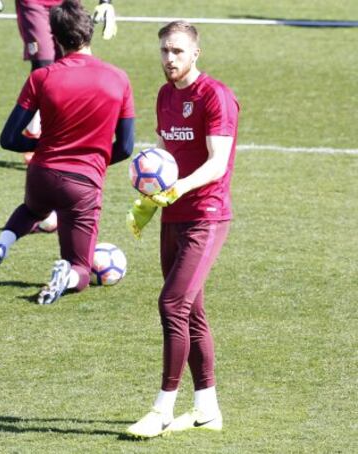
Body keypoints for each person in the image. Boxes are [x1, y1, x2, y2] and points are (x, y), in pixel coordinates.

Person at [126, 20, 239, 438]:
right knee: (190, 311)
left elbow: (217, 162)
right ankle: (207, 409)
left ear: (195, 54)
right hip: (173, 216)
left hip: (206, 216)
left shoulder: (215, 96)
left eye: (177, 51)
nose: (169, 59)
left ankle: (161, 409)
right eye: (164, 51)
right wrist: (146, 203)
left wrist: (178, 188)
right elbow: (165, 156)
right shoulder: (164, 96)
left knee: (171, 305)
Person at [0, 0, 134, 305]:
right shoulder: (119, 78)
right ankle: (66, 277)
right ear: (90, 32)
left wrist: (43, 145)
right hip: (83, 184)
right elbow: (125, 146)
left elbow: (8, 139)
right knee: (82, 269)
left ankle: (1, 244)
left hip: (41, 175)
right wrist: (95, 158)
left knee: (32, 211)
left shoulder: (41, 78)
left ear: (55, 38)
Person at [15, 0, 117, 162]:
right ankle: (34, 131)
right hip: (33, 3)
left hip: (67, 3)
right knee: (44, 64)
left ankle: (66, 132)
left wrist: (106, 2)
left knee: (68, 63)